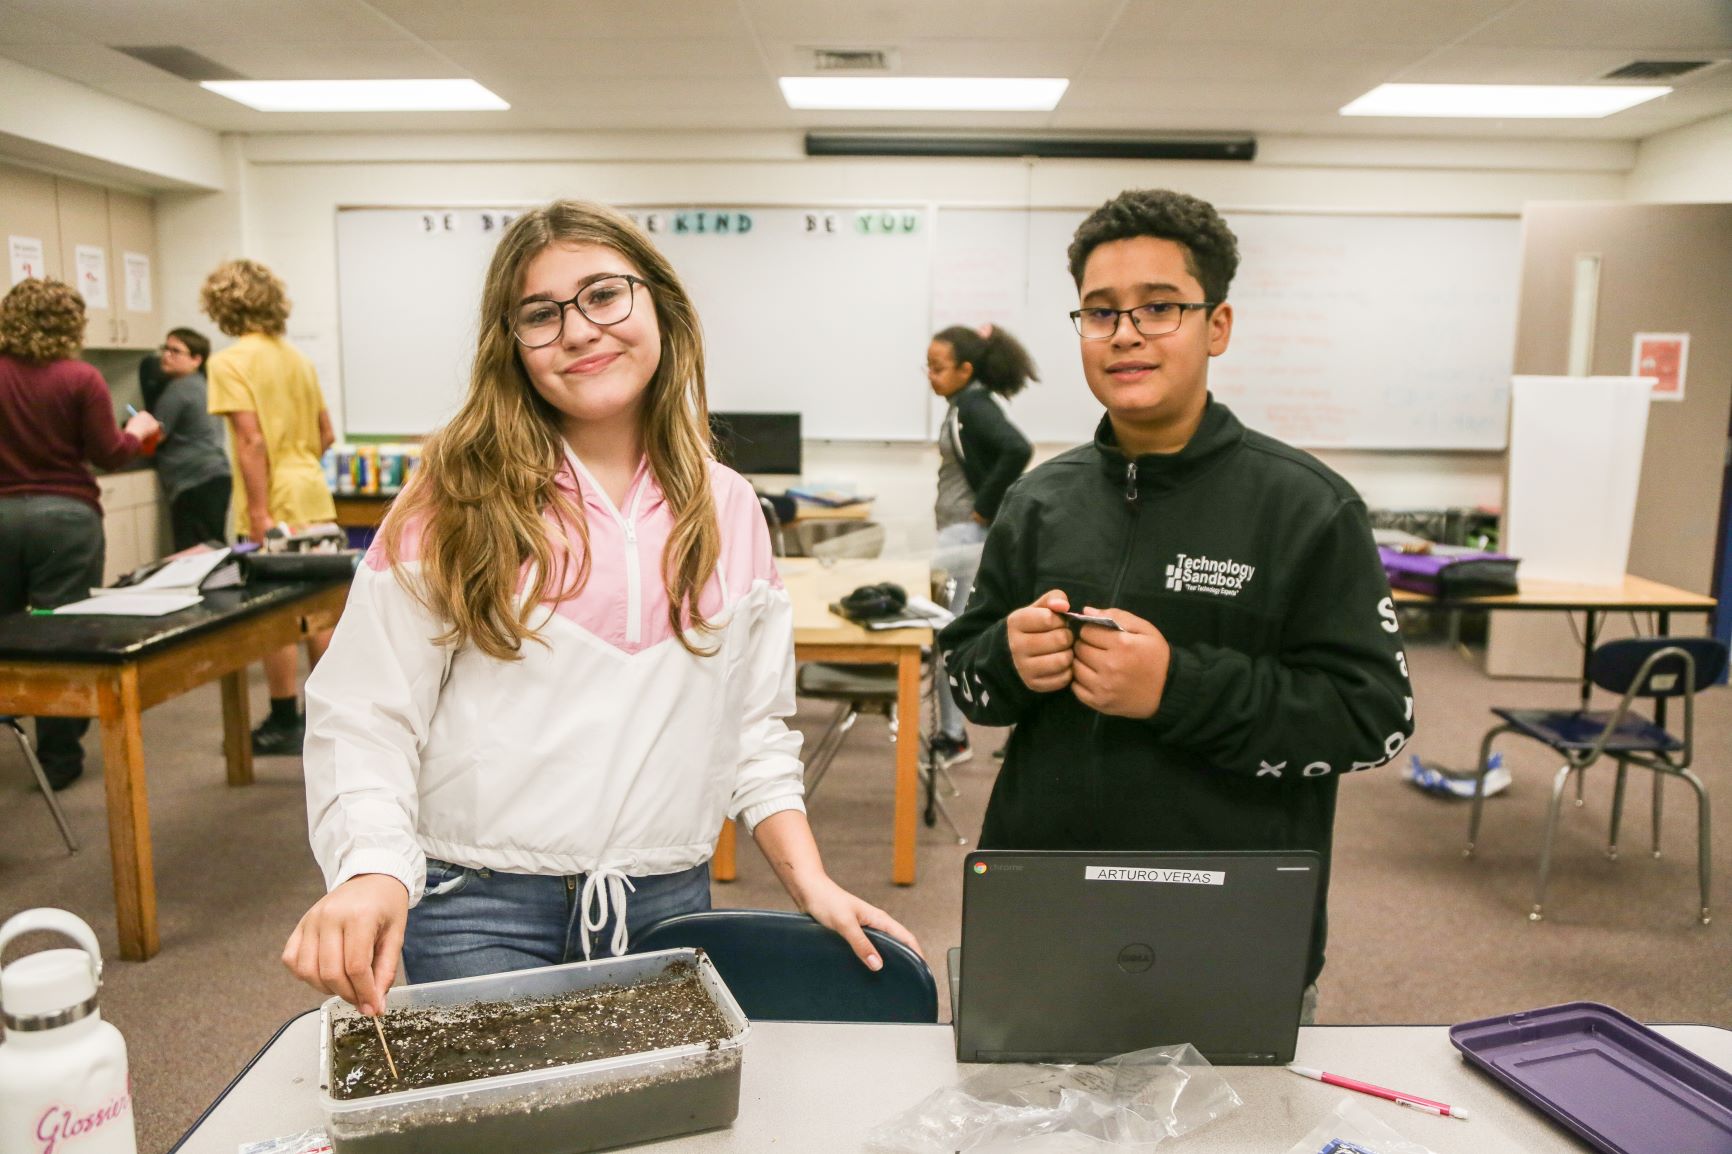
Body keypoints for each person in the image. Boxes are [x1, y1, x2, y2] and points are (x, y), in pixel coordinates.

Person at [281, 200, 918, 1016]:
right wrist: (369, 866)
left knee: (660, 1131)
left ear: (660, 305)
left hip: (665, 900)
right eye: (540, 315)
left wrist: (811, 883)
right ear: (511, 346)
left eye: (604, 296)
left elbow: (754, 728)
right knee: (513, 1137)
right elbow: (365, 713)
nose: (579, 331)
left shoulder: (728, 509)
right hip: (476, 907)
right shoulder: (455, 495)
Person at [936, 189, 1414, 1011]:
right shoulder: (1038, 501)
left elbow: (1374, 720)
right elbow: (971, 685)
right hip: (1046, 901)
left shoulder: (1306, 507)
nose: (1125, 333)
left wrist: (1176, 688)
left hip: (1229, 917)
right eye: (1100, 312)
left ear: (1216, 326)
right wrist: (1006, 660)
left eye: (1159, 308)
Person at [0, 278, 160, 788]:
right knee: (60, 634)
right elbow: (107, 453)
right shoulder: (81, 377)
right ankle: (58, 759)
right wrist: (136, 433)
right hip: (66, 518)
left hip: (2, 516)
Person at [201, 259, 337, 754]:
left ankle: (283, 720)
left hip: (271, 499)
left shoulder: (229, 361)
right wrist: (301, 466)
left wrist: (259, 513)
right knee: (321, 612)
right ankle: (331, 720)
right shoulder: (296, 359)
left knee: (274, 617)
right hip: (312, 492)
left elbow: (251, 440)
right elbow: (326, 434)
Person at [925, 323, 1034, 768]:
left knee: (947, 633)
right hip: (959, 532)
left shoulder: (974, 405)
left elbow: (1016, 449)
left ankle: (953, 738)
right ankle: (969, 732)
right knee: (963, 628)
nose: (930, 375)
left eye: (938, 367)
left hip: (966, 537)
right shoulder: (961, 404)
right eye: (927, 367)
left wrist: (983, 509)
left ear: (965, 369)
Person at [148, 327, 231, 551]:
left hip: (192, 480)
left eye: (175, 351)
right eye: (165, 349)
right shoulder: (204, 386)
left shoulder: (178, 390)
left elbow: (154, 437)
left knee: (193, 556)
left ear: (196, 359)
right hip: (216, 476)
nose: (166, 355)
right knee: (212, 549)